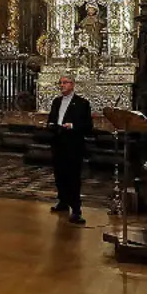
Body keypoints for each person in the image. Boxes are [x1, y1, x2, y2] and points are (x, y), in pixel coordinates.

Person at [47, 74, 93, 225]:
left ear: (72, 85)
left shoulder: (82, 103)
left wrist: (72, 126)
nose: (62, 85)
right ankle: (63, 202)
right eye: (60, 83)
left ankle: (76, 210)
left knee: (73, 177)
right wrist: (52, 126)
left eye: (65, 83)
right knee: (59, 175)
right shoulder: (56, 102)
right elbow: (51, 119)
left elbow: (88, 126)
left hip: (73, 144)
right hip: (58, 142)